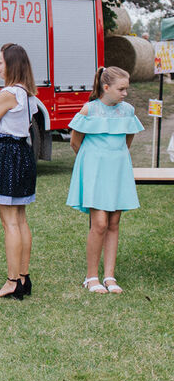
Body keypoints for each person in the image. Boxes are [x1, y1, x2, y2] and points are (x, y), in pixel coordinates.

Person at [66, 66, 143, 294]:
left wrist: (115, 158)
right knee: (98, 223)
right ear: (106, 87)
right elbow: (75, 142)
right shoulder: (90, 110)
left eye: (126, 89)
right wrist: (92, 163)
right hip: (95, 170)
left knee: (113, 223)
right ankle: (91, 277)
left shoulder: (128, 110)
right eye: (121, 89)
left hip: (117, 169)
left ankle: (110, 276)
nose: (125, 94)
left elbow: (128, 140)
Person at [0, 43, 37, 300]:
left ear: (11, 65)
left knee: (9, 222)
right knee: (20, 219)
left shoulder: (7, 94)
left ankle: (12, 281)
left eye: (0, 62)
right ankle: (23, 277)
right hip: (22, 153)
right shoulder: (27, 93)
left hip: (6, 156)